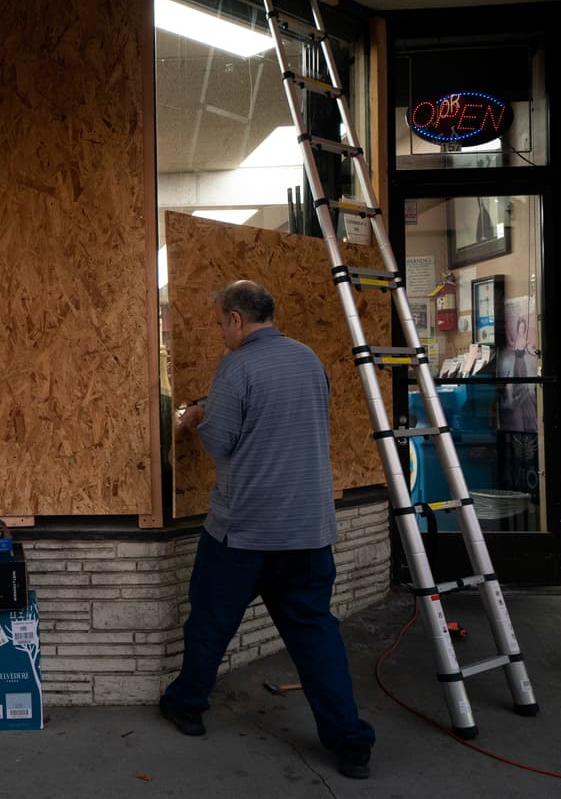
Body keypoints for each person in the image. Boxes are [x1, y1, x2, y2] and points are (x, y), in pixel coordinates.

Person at [160, 280, 376, 780]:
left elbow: (220, 443)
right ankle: (351, 742)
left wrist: (197, 416)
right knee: (316, 636)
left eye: (219, 323)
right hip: (309, 531)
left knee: (210, 624)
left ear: (236, 319)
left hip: (244, 533)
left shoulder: (237, 366)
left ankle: (187, 705)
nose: (219, 333)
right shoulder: (310, 359)